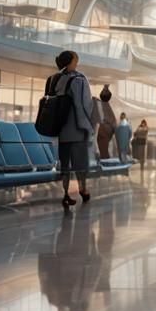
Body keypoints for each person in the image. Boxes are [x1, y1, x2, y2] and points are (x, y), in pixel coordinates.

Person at [48, 50, 95, 207]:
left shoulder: (54, 79)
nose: (77, 62)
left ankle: (66, 194)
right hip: (76, 129)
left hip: (61, 130)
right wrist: (87, 125)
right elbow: (85, 104)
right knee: (80, 164)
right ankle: (83, 189)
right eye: (76, 60)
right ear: (70, 62)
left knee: (65, 165)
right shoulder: (79, 79)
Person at [96, 85, 117, 159]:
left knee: (103, 149)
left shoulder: (101, 105)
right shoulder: (104, 106)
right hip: (105, 130)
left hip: (105, 130)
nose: (103, 92)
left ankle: (105, 159)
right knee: (103, 148)